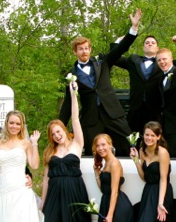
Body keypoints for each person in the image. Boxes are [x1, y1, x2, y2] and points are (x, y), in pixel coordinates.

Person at [59, 9, 143, 157]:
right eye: (80, 49)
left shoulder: (102, 62)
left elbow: (120, 49)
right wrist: (59, 125)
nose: (84, 51)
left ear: (90, 50)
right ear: (75, 52)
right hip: (91, 119)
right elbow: (67, 103)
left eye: (86, 48)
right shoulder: (70, 75)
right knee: (93, 152)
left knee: (131, 142)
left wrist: (133, 29)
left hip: (112, 112)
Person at [42, 81, 94, 222]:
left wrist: (73, 95)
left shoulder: (77, 144)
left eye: (59, 131)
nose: (57, 135)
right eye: (53, 133)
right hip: (55, 195)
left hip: (74, 192)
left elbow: (75, 117)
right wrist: (43, 203)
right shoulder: (50, 152)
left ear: (64, 130)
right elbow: (46, 179)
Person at [113, 31, 176, 138]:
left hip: (155, 109)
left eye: (153, 43)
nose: (150, 44)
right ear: (143, 47)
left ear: (157, 48)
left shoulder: (163, 63)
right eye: (147, 42)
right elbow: (114, 58)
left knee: (154, 138)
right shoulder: (133, 60)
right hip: (136, 108)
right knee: (133, 140)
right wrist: (118, 42)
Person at [127, 121, 173, 222]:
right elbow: (144, 177)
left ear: (158, 137)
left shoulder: (163, 152)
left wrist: (160, 203)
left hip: (162, 193)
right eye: (146, 134)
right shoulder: (142, 150)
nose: (148, 138)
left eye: (152, 135)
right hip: (148, 192)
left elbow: (163, 179)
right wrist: (136, 161)